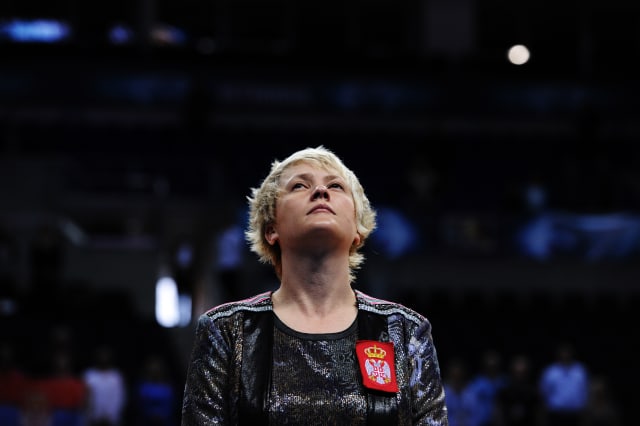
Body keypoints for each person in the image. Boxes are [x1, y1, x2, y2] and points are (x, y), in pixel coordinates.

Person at [182, 146, 448, 425]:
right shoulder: (226, 330)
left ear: (357, 231)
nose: (321, 191)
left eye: (335, 186)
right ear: (271, 229)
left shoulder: (405, 331)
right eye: (299, 185)